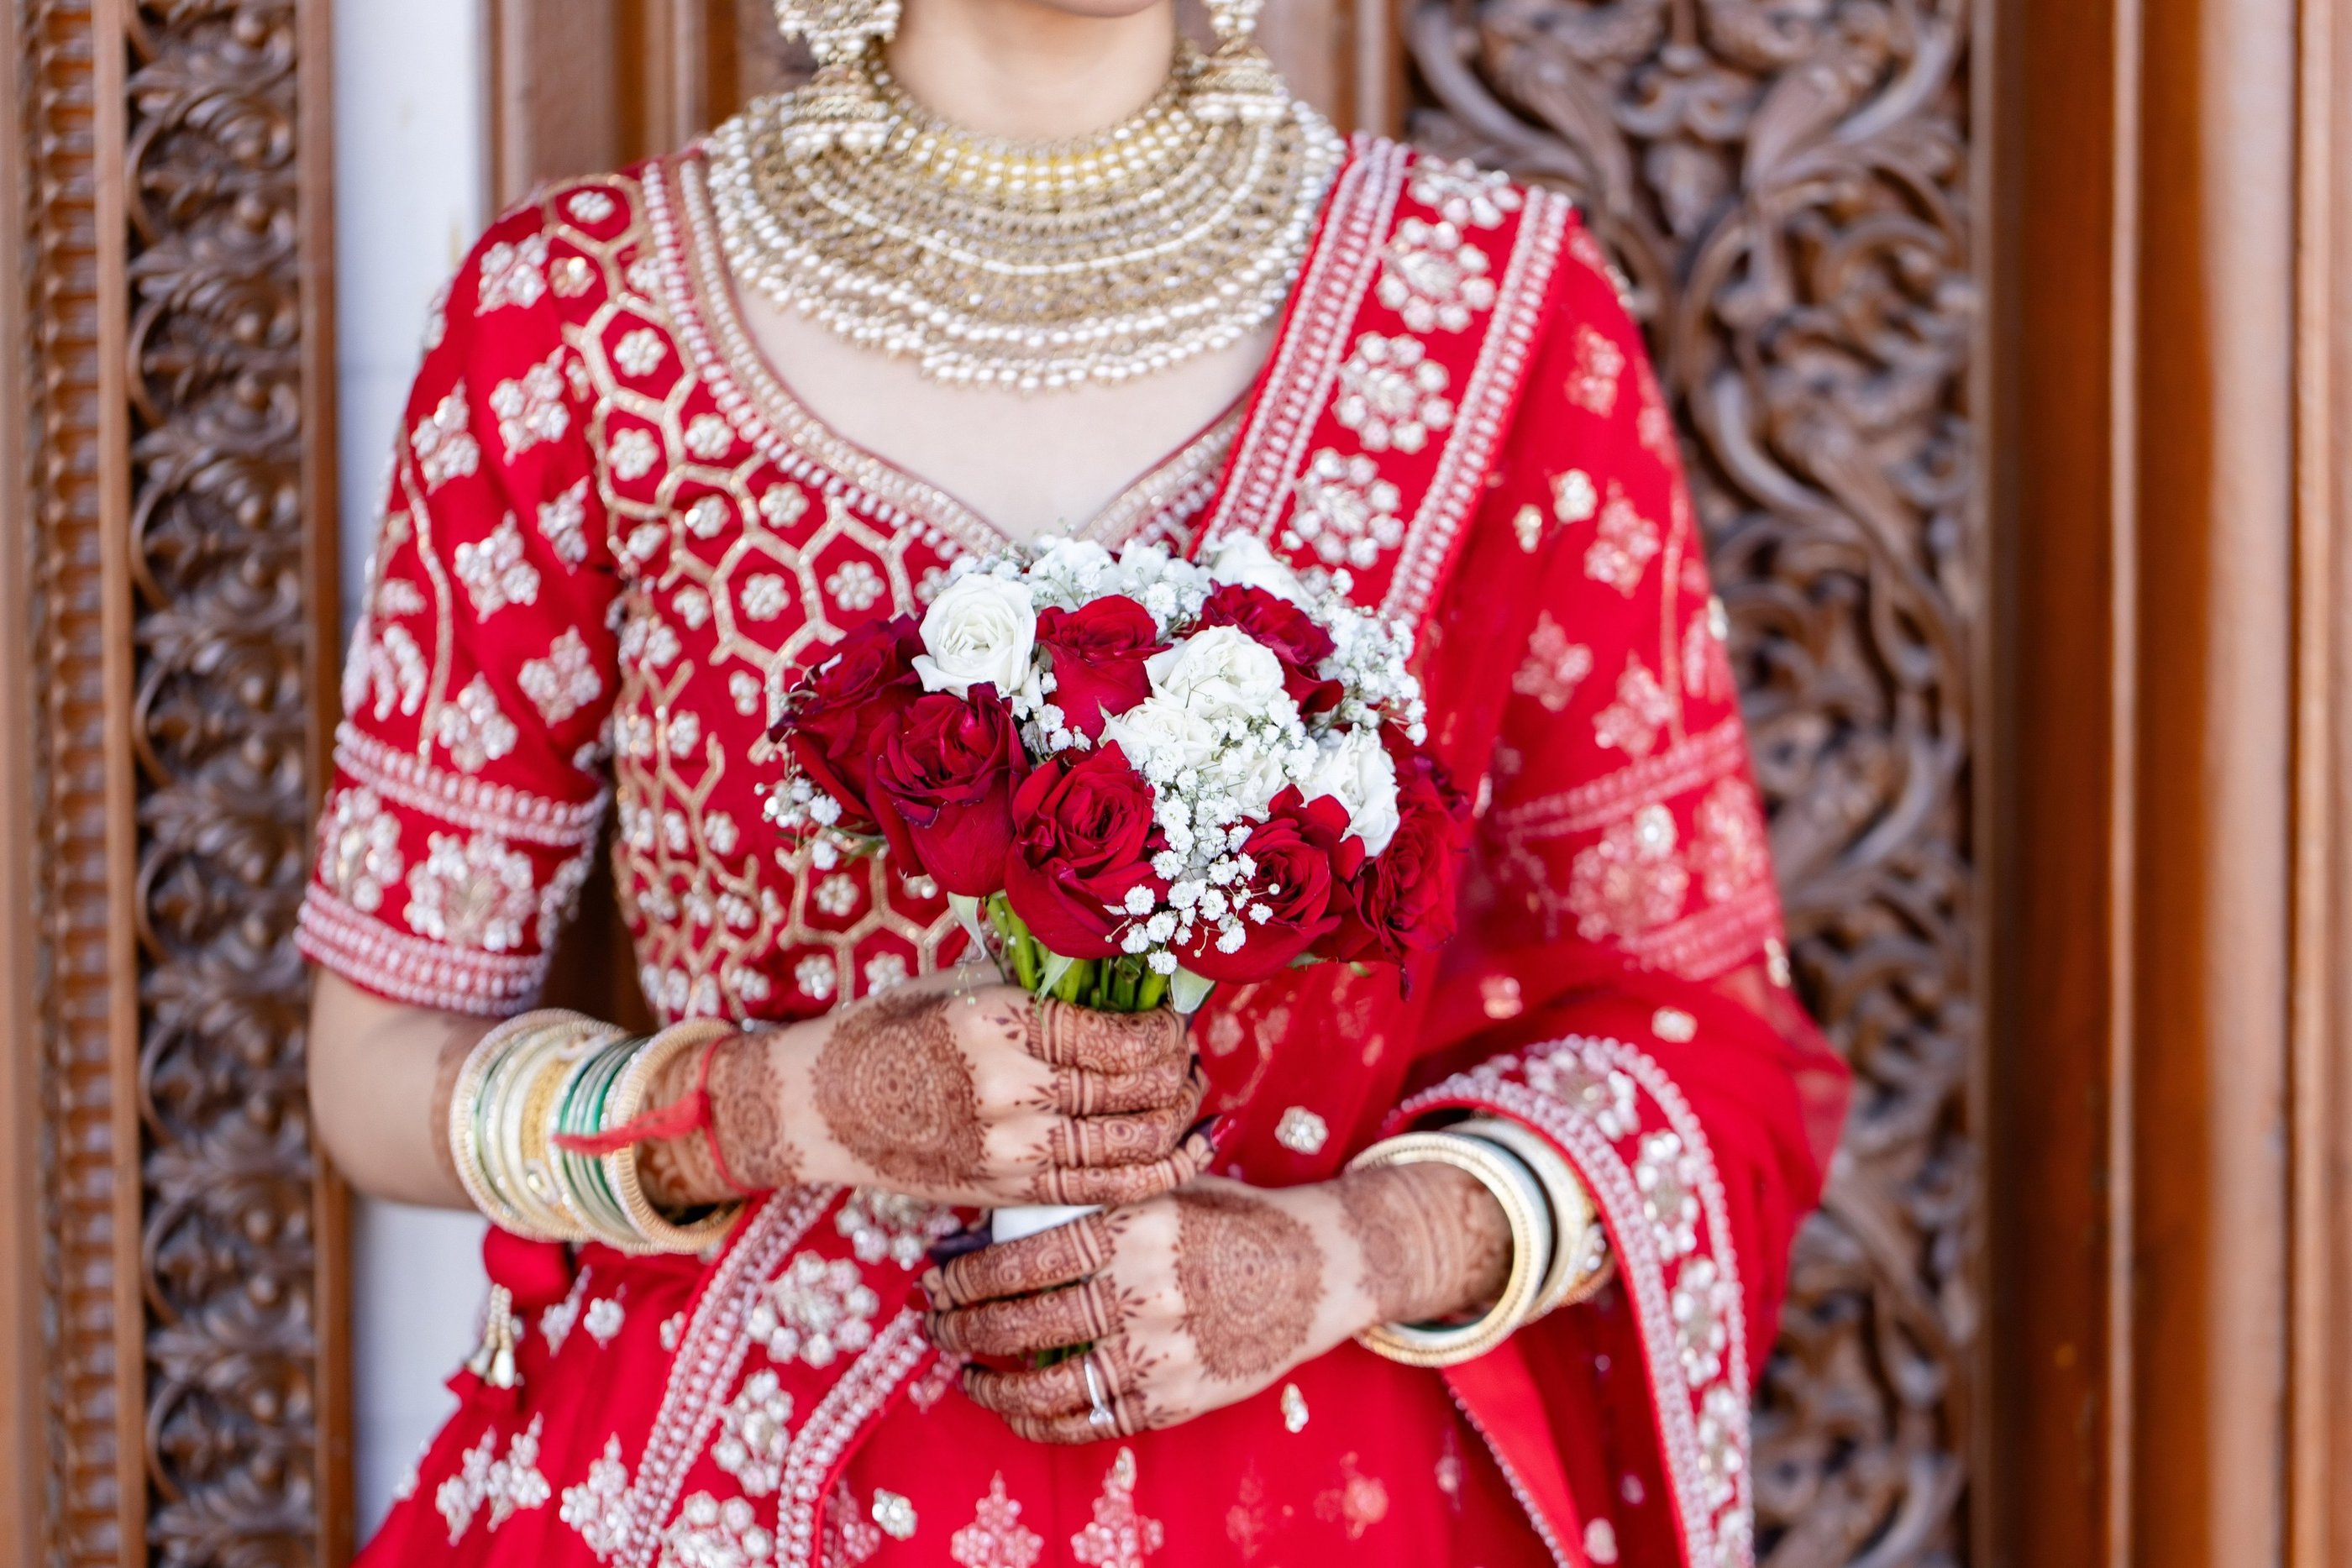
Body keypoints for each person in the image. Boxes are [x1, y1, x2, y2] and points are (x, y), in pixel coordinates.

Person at [302, 0, 1847, 1562]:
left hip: (1315, 1488)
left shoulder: (1480, 306)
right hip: (732, 1485)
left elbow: (1699, 1033)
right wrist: (773, 1108)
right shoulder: (581, 317)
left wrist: (1358, 1251)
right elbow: (369, 1068)